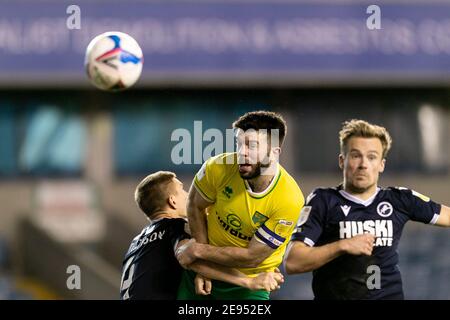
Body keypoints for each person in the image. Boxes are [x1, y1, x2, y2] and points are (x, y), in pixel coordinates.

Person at [284, 119, 450, 300]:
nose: (363, 164)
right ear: (342, 161)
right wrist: (343, 245)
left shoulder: (400, 199)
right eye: (356, 155)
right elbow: (293, 262)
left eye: (371, 157)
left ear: (381, 165)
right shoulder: (322, 201)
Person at [176, 111, 305, 300]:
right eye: (238, 143)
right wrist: (204, 269)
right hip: (203, 272)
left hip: (250, 281)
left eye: (251, 145)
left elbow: (252, 256)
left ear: (275, 152)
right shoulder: (217, 167)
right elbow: (195, 205)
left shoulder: (289, 200)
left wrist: (198, 250)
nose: (242, 152)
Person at [120, 171, 284, 300]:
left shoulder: (137, 241)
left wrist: (263, 265)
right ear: (172, 201)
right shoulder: (175, 226)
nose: (188, 194)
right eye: (182, 190)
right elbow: (191, 256)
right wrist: (251, 280)